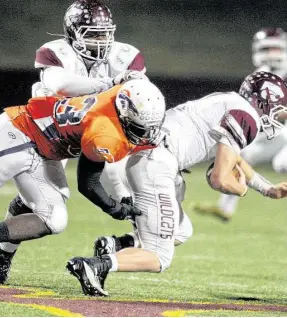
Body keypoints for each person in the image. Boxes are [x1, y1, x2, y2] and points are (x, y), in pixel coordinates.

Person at [66, 71, 287, 297]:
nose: (278, 116)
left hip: (150, 159)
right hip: (156, 165)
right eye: (277, 108)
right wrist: (239, 190)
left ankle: (115, 246)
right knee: (159, 257)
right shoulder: (246, 115)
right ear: (265, 100)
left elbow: (236, 159)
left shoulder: (229, 101)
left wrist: (267, 189)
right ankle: (93, 265)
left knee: (181, 231)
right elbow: (218, 178)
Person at [0, 78, 166, 274]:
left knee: (54, 219)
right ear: (124, 114)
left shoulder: (125, 96)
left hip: (46, 150)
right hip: (19, 132)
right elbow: (88, 184)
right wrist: (115, 209)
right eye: (141, 129)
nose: (146, 135)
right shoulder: (105, 133)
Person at [0, 0, 148, 284]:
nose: (100, 41)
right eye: (92, 34)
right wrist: (109, 84)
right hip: (54, 132)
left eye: (104, 33)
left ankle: (130, 234)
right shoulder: (55, 52)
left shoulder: (126, 55)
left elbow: (134, 101)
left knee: (117, 176)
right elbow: (61, 85)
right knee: (41, 201)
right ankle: (1, 255)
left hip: (96, 128)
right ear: (72, 33)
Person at [192, 27, 287, 221]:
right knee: (240, 157)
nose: (271, 54)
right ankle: (225, 209)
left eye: (275, 49)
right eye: (267, 49)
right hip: (276, 131)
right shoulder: (260, 74)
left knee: (281, 164)